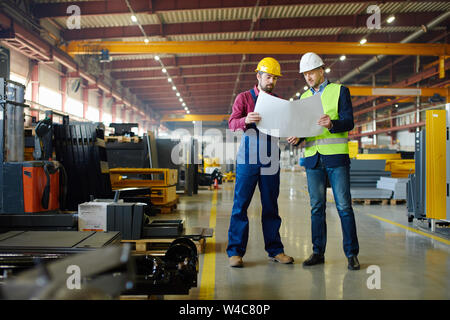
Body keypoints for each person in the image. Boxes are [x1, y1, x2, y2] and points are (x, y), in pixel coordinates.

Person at [287, 52, 360, 270]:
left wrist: (332, 124)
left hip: (336, 158)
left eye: (311, 72)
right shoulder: (302, 98)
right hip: (312, 159)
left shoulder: (339, 91)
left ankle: (351, 254)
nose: (308, 77)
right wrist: (297, 137)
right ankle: (318, 252)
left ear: (322, 70)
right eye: (305, 74)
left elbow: (349, 122)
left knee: (344, 206)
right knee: (316, 207)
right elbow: (304, 130)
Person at [226, 57, 294, 268]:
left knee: (271, 206)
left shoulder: (278, 102)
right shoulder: (244, 98)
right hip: (248, 159)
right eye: (268, 76)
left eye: (274, 77)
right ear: (258, 76)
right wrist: (245, 120)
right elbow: (232, 124)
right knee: (241, 205)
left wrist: (292, 133)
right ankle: (235, 252)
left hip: (271, 159)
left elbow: (285, 126)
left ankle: (275, 250)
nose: (271, 80)